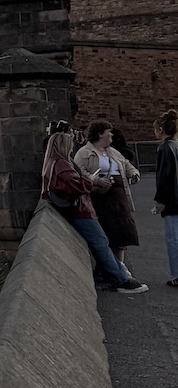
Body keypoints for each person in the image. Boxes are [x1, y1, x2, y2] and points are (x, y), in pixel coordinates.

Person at [42, 123, 148, 292]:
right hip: (81, 208)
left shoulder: (56, 162)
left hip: (106, 200)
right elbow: (74, 184)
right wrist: (91, 180)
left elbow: (125, 163)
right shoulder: (63, 163)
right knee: (101, 242)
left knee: (111, 239)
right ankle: (120, 280)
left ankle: (119, 273)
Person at [73, 120, 141, 267]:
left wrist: (134, 173)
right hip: (99, 198)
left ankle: (119, 265)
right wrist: (96, 180)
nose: (111, 134)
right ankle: (107, 267)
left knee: (122, 233)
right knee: (105, 234)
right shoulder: (84, 153)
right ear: (99, 134)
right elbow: (78, 173)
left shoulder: (112, 151)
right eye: (108, 132)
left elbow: (126, 164)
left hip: (118, 197)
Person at [155, 108, 178, 289]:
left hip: (173, 200)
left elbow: (164, 176)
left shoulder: (165, 148)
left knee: (173, 238)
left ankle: (176, 274)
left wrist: (160, 200)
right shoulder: (176, 145)